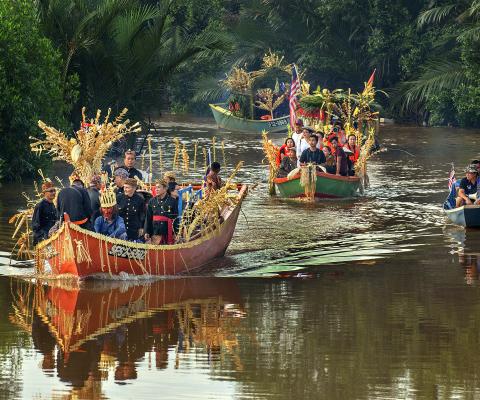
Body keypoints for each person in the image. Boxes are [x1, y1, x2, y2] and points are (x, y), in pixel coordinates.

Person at [144, 179, 178, 245]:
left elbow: (175, 219)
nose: (156, 189)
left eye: (159, 187)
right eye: (156, 187)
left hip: (168, 232)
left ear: (165, 188)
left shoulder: (172, 201)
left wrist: (176, 233)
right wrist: (146, 231)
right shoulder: (152, 201)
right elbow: (148, 218)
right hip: (155, 231)